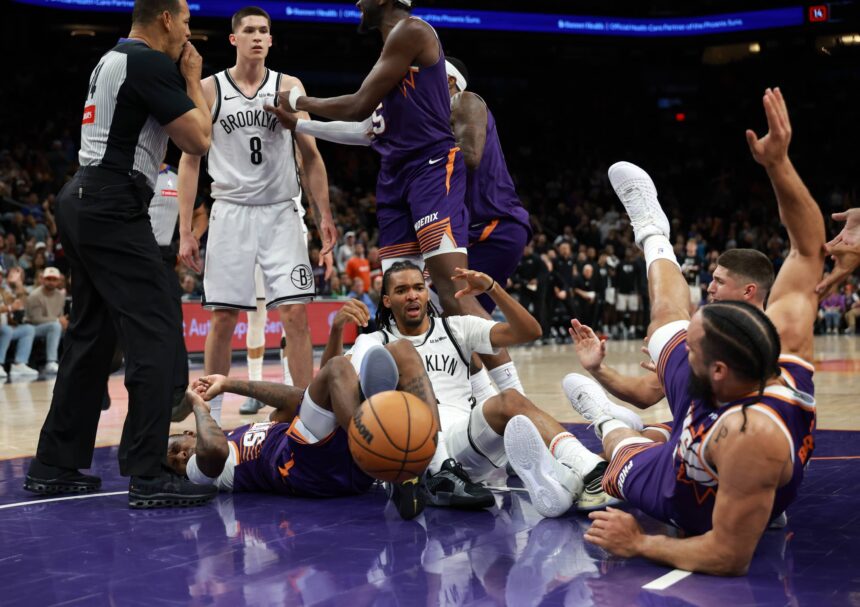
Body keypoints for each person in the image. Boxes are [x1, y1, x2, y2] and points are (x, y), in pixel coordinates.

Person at [562, 88, 821, 575]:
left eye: (692, 346)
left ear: (715, 370)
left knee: (621, 454)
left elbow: (727, 555)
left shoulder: (750, 436)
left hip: (692, 493)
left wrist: (639, 543)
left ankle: (599, 424)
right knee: (664, 326)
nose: (683, 350)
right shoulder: (783, 340)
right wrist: (779, 163)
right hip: (733, 436)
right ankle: (653, 230)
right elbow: (808, 250)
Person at [25, 0, 218, 509]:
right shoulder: (150, 61)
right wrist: (194, 78)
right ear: (167, 21)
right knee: (155, 331)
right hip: (111, 201)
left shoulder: (110, 59)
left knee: (91, 335)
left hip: (83, 197)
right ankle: (149, 472)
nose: (190, 36)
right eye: (188, 24)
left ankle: (54, 465)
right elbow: (198, 139)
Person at [325, 261, 616, 519]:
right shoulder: (375, 341)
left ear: (427, 294)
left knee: (511, 399)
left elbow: (529, 331)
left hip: (465, 446)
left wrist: (492, 288)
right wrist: (337, 331)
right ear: (387, 300)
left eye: (418, 287)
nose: (412, 295)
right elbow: (332, 379)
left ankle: (591, 470)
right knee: (399, 356)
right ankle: (435, 476)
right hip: (410, 448)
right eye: (402, 291)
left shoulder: (456, 329)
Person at [264, 0, 473, 320]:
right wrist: (300, 124)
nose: (358, 2)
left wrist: (297, 100)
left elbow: (358, 105)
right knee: (401, 294)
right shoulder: (390, 58)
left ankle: (497, 373)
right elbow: (366, 129)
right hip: (394, 178)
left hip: (428, 167)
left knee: (450, 287)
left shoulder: (411, 31)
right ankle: (424, 369)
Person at [177, 6, 336, 425]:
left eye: (264, 31)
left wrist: (324, 216)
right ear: (234, 39)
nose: (257, 37)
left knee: (296, 315)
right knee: (224, 317)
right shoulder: (210, 89)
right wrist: (186, 232)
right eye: (249, 30)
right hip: (230, 212)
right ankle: (207, 419)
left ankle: (306, 417)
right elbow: (190, 161)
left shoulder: (288, 87)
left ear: (271, 39)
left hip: (282, 213)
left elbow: (312, 156)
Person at [166, 343, 404, 497]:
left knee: (402, 352)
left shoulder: (239, 434)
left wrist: (228, 384)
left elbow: (294, 400)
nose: (180, 457)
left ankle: (413, 461)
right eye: (175, 464)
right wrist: (198, 406)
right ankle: (381, 451)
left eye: (175, 449)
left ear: (189, 434)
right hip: (297, 466)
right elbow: (214, 449)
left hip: (327, 460)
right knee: (338, 368)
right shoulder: (199, 472)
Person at [24, 267, 67, 374]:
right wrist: (58, 320)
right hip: (33, 328)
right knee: (55, 326)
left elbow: (60, 315)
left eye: (54, 279)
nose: (51, 282)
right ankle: (51, 362)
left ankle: (72, 362)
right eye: (48, 279)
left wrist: (63, 322)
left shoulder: (60, 295)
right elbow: (36, 319)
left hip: (52, 326)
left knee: (71, 328)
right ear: (43, 280)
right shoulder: (35, 295)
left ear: (58, 281)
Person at [0, 266, 38, 380]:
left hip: (6, 327)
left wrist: (19, 285)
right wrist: (10, 308)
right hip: (4, 329)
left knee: (28, 329)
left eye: (0, 275)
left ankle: (19, 364)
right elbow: (10, 307)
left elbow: (22, 304)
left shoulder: (4, 291)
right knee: (6, 330)